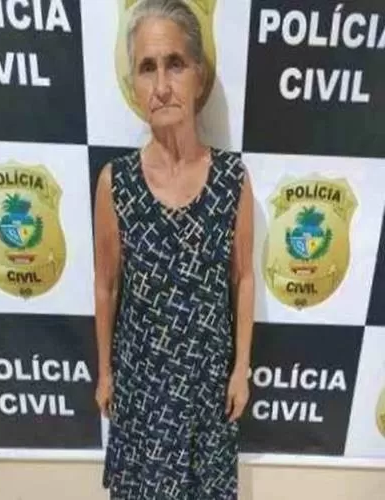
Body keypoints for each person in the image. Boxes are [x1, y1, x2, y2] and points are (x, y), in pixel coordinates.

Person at [93, 0, 254, 498]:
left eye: (175, 64)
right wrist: (105, 373)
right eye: (147, 68)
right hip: (142, 389)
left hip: (208, 388)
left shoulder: (232, 179)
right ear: (134, 85)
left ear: (199, 76)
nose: (162, 85)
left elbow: (243, 278)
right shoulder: (115, 183)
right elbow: (106, 285)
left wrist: (241, 370)